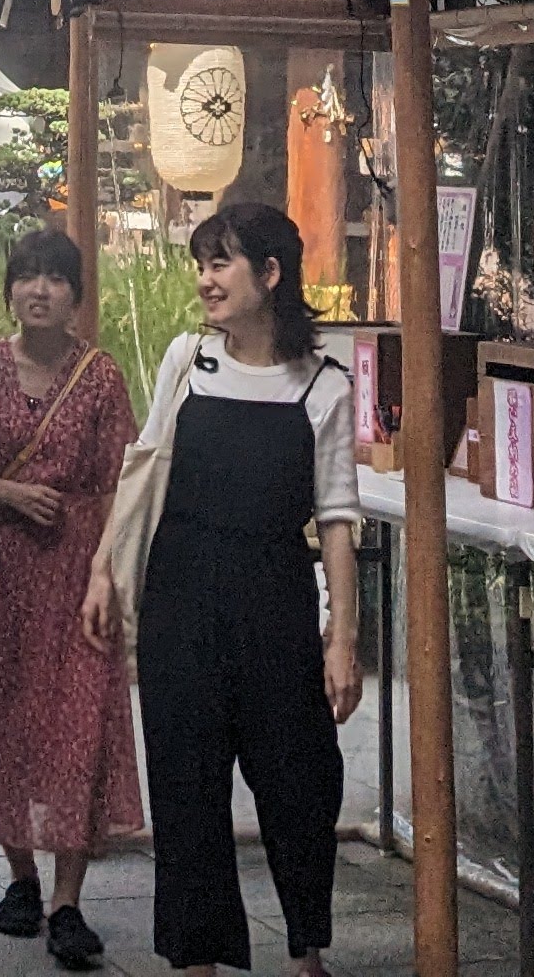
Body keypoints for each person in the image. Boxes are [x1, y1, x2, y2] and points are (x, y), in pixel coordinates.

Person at [85, 200, 361, 977]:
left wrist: (343, 639)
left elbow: (337, 518)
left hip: (274, 598)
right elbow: (143, 472)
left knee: (301, 780)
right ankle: (196, 962)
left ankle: (307, 953)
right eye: (201, 264)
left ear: (270, 275)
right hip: (181, 597)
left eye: (221, 263)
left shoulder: (324, 387)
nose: (205, 281)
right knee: (186, 786)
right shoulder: (186, 361)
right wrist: (106, 572)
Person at [0, 226, 139, 972]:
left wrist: (104, 574)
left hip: (80, 575)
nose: (38, 291)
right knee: (2, 719)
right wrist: (7, 490)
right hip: (1, 572)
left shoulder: (103, 378)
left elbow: (122, 482)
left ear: (77, 296)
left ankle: (68, 900)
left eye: (54, 279)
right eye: (27, 277)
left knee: (81, 729)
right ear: (10, 288)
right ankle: (21, 877)